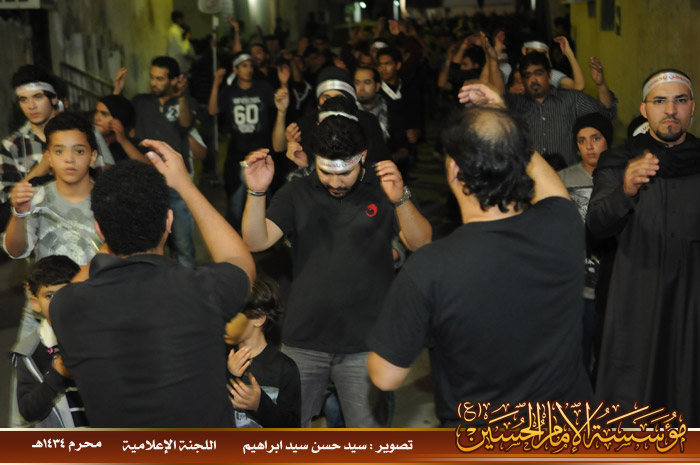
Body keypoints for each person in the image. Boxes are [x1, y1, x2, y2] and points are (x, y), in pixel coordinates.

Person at [368, 87, 592, 427]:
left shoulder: (430, 268)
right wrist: (504, 121)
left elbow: (385, 376)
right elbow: (552, 189)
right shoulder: (563, 225)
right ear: (518, 161)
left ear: (454, 171)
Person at [241, 115, 432, 427]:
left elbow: (420, 242)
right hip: (303, 341)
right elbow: (255, 240)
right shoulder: (296, 192)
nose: (334, 183)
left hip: (366, 345)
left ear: (363, 157)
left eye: (344, 173)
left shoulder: (383, 189)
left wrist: (401, 199)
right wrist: (256, 192)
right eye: (326, 171)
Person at [49, 141, 255, 427]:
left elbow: (75, 286)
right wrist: (185, 185)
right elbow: (240, 260)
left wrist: (115, 225)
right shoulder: (202, 290)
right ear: (168, 222)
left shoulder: (66, 307)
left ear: (100, 231)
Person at [587, 69, 700, 426]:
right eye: (660, 101)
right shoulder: (620, 160)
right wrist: (625, 190)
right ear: (644, 109)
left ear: (692, 107)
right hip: (636, 296)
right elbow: (597, 225)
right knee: (632, 393)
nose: (671, 110)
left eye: (680, 100)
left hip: (692, 298)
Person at [1, 65, 112, 233]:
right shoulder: (12, 145)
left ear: (54, 99)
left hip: (87, 229)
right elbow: (6, 207)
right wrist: (38, 171)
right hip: (37, 234)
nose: (31, 106)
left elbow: (103, 184)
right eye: (23, 100)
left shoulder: (81, 133)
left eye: (38, 97)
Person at [558, 113, 615, 374]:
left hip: (613, 284)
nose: (589, 146)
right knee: (576, 357)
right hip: (576, 287)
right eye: (582, 141)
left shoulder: (623, 177)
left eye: (596, 138)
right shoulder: (562, 179)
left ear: (608, 140)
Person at [131, 57, 197, 266]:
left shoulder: (184, 102)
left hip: (176, 181)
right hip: (147, 181)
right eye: (152, 77)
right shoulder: (141, 102)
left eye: (160, 79)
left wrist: (181, 97)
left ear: (174, 80)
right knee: (149, 244)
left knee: (183, 244)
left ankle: (186, 282)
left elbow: (186, 125)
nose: (154, 83)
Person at [500, 52, 617, 166]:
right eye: (527, 76)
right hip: (530, 176)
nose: (533, 80)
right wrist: (493, 61)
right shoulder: (515, 104)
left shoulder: (571, 99)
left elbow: (606, 114)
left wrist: (601, 84)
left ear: (549, 75)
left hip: (567, 175)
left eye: (538, 73)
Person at [11, 255, 87, 427]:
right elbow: (28, 411)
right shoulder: (30, 352)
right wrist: (57, 375)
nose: (59, 302)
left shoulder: (101, 333)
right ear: (36, 303)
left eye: (66, 292)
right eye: (50, 296)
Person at [208, 51, 275, 229]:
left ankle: (265, 235)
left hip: (260, 150)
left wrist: (283, 85)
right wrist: (216, 84)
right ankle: (236, 237)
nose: (249, 69)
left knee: (264, 197)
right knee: (236, 200)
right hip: (237, 151)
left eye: (250, 65)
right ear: (235, 69)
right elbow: (213, 110)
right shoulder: (230, 91)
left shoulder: (262, 88)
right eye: (244, 66)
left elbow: (279, 106)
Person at [225, 275, 301, 428]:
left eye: (232, 315)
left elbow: (291, 426)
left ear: (258, 318)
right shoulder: (219, 358)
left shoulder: (285, 368)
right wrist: (229, 376)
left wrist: (260, 405)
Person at [93, 95, 149, 164]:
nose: (96, 118)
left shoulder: (137, 145)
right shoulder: (89, 141)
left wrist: (123, 141)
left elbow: (147, 167)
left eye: (104, 114)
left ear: (119, 120)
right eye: (96, 112)